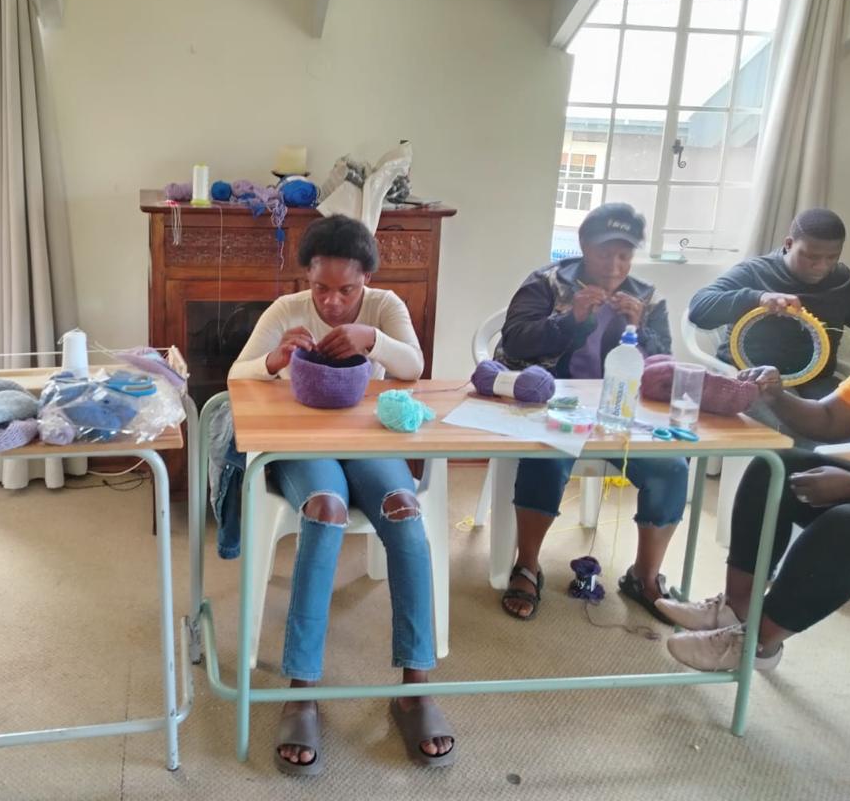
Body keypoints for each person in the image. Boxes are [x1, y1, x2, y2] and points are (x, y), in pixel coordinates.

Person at [228, 214, 454, 775]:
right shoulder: (286, 310)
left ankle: (415, 687)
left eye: (346, 290)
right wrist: (275, 360)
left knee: (404, 508)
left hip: (366, 438)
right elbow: (237, 374)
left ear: (366, 281)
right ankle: (301, 690)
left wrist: (371, 339)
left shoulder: (384, 307)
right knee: (326, 509)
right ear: (306, 277)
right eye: (320, 288)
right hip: (303, 446)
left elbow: (414, 366)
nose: (331, 302)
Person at [660, 296, 850, 673]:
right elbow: (828, 419)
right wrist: (776, 395)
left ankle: (755, 644)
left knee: (849, 526)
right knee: (777, 467)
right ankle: (735, 610)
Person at [496, 202, 687, 624]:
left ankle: (644, 576)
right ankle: (527, 564)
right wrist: (571, 319)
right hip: (552, 406)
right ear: (583, 245)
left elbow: (663, 367)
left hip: (621, 413)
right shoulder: (547, 283)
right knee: (548, 455)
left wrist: (643, 329)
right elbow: (515, 340)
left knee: (672, 466)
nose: (614, 266)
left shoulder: (647, 297)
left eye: (625, 255)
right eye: (605, 253)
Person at [687, 208, 850, 400]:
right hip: (751, 379)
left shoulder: (840, 280)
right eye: (811, 257)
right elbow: (699, 309)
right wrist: (758, 297)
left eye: (832, 257)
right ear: (789, 243)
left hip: (815, 384)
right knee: (779, 431)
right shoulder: (755, 272)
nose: (822, 266)